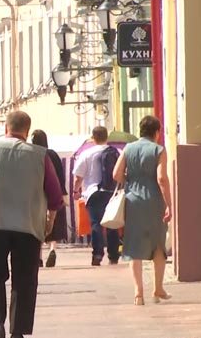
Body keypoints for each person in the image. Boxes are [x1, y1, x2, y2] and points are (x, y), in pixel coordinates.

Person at [0, 111, 63, 338]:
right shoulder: (40, 155)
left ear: (5, 127)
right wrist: (50, 215)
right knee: (25, 278)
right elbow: (55, 194)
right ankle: (18, 334)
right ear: (27, 131)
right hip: (28, 224)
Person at [112, 116, 173, 306]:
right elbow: (161, 178)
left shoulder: (128, 149)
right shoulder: (158, 149)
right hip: (154, 201)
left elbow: (116, 174)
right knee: (158, 245)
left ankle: (138, 293)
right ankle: (158, 288)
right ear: (157, 132)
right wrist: (169, 204)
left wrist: (131, 179)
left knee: (134, 246)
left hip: (133, 201)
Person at [73, 126, 121, 266]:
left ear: (93, 138)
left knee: (96, 224)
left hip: (93, 192)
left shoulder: (87, 154)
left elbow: (78, 177)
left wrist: (76, 191)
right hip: (112, 192)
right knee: (112, 223)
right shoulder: (115, 152)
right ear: (107, 137)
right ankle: (113, 255)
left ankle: (98, 254)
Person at [31, 130, 68, 267]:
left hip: (38, 193)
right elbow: (60, 174)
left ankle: (39, 256)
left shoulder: (33, 154)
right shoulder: (52, 154)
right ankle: (52, 249)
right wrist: (62, 192)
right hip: (55, 191)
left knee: (39, 223)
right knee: (54, 222)